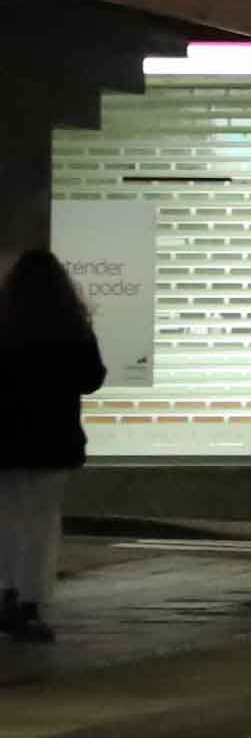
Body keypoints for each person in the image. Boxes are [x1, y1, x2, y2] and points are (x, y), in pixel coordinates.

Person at [0, 248, 109, 645]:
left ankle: (6, 593)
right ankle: (29, 602)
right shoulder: (71, 327)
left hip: (6, 442)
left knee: (7, 519)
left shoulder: (4, 325)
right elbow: (92, 378)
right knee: (41, 523)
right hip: (52, 441)